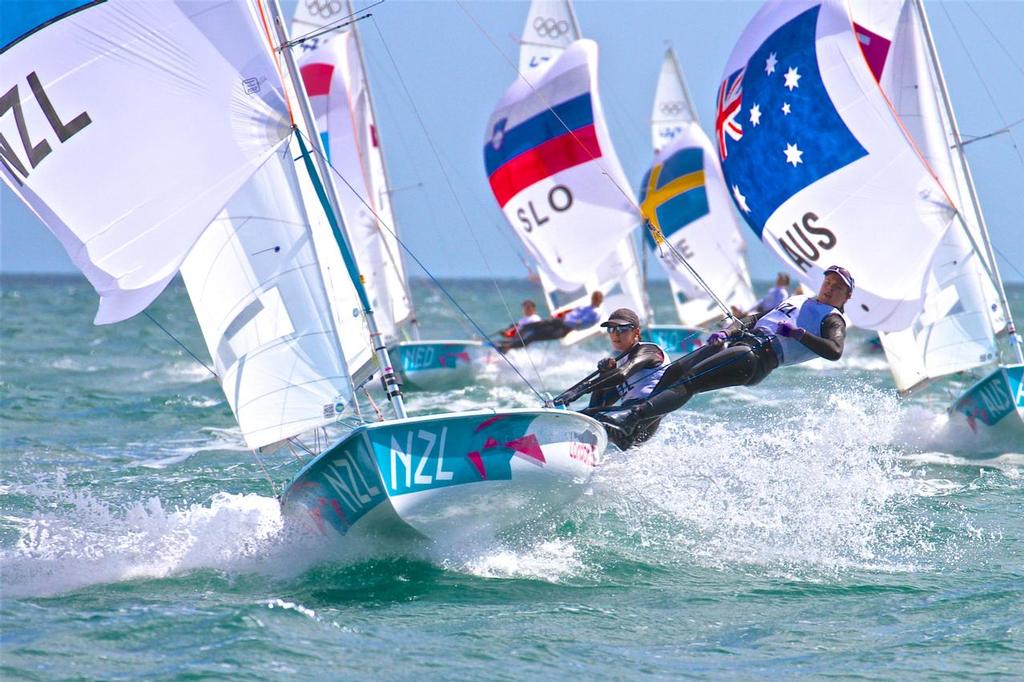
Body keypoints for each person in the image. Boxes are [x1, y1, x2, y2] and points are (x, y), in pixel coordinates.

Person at [592, 266, 855, 448]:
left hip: (756, 356)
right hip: (739, 342)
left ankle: (630, 418)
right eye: (828, 282)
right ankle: (633, 433)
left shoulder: (832, 318)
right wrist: (726, 331)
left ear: (847, 296)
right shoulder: (800, 299)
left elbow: (834, 350)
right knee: (672, 373)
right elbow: (753, 318)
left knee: (689, 383)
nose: (829, 289)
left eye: (837, 288)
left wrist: (799, 334)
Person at [552, 308, 667, 449]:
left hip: (641, 418)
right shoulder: (622, 360)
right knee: (583, 416)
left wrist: (580, 390)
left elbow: (622, 374)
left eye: (622, 329)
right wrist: (605, 373)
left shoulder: (649, 350)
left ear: (636, 332)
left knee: (587, 420)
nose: (616, 333)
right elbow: (598, 405)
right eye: (611, 329)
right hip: (625, 417)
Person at [497, 290, 604, 352]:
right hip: (559, 322)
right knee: (529, 326)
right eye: (593, 297)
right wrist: (559, 317)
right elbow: (571, 313)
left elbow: (581, 324)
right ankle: (510, 341)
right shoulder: (586, 307)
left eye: (596, 298)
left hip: (564, 328)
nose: (593, 299)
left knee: (533, 335)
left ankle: (508, 346)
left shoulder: (596, 313)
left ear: (599, 300)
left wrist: (564, 322)